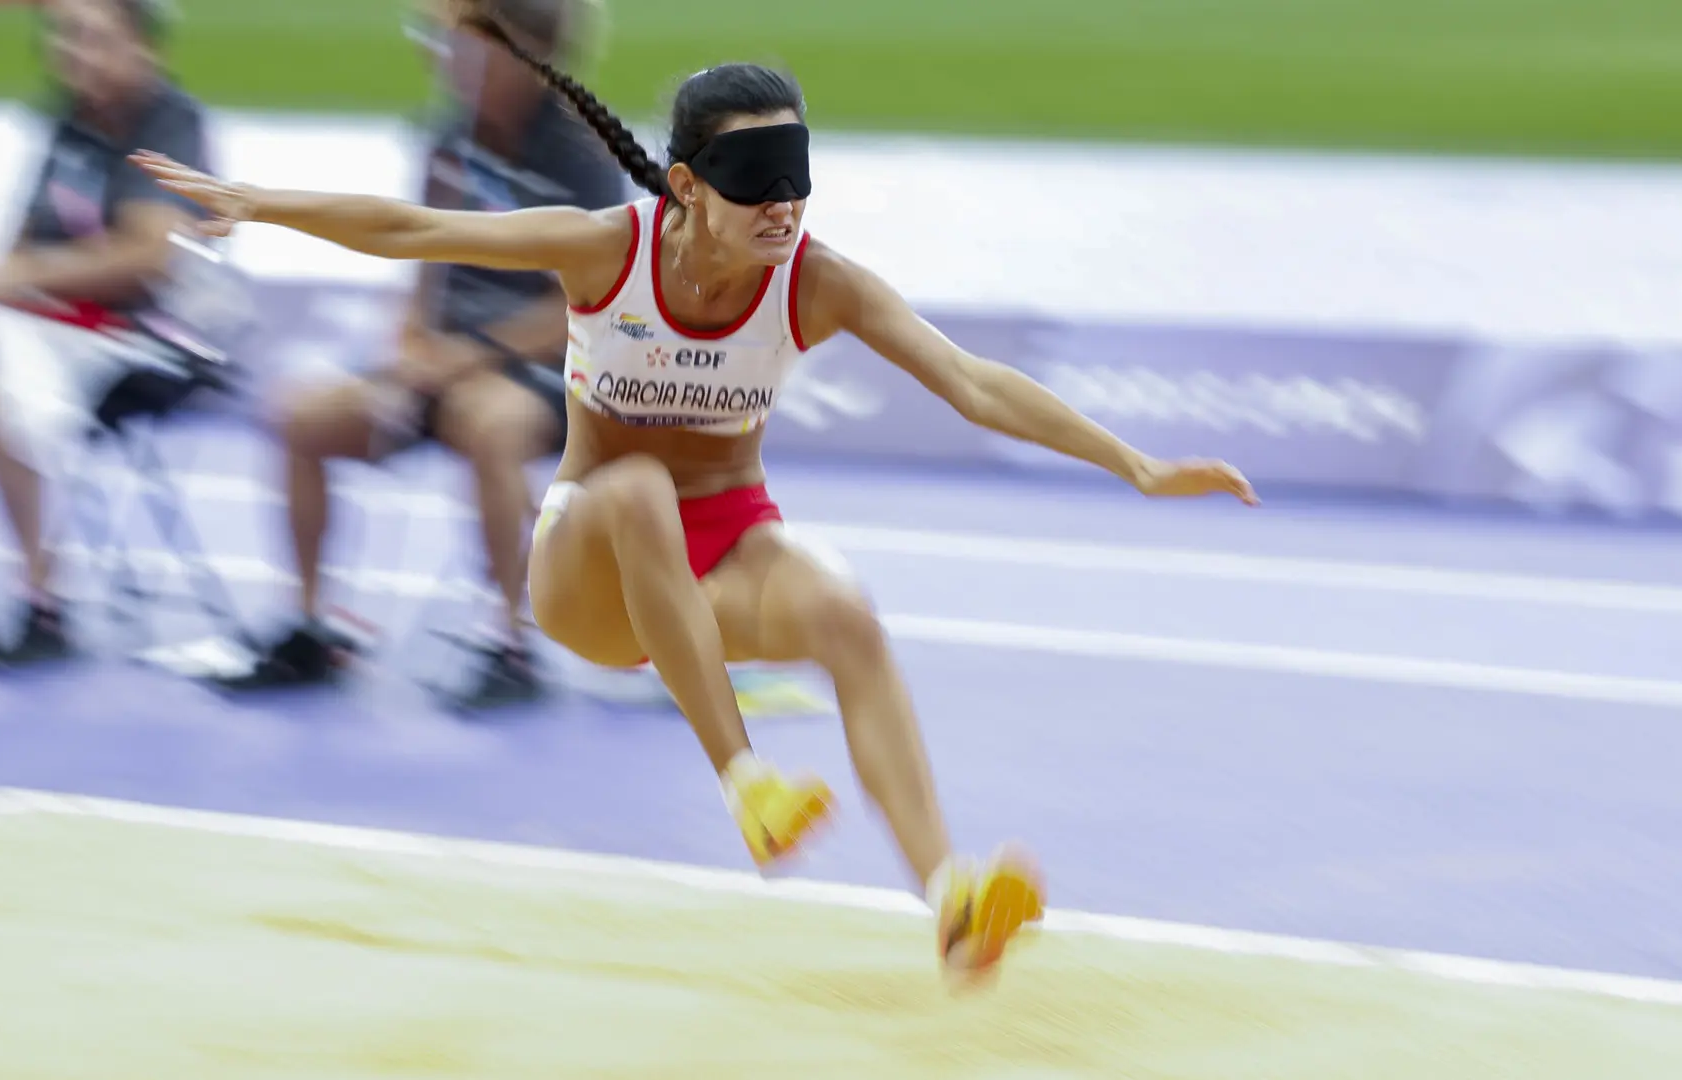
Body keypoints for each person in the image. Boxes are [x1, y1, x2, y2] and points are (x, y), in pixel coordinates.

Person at [131, 1, 1258, 976]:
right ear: (686, 185)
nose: (783, 207)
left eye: (798, 179)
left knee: (844, 613)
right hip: (586, 567)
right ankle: (747, 787)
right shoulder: (601, 252)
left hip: (721, 554)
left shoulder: (815, 285)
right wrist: (262, 202)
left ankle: (949, 897)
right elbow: (419, 227)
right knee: (633, 492)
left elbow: (971, 381)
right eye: (755, 183)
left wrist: (1136, 464)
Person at [222, 0, 628, 708]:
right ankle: (313, 625)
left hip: (551, 369)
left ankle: (512, 642)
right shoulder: (448, 138)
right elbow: (423, 264)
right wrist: (406, 349)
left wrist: (468, 355)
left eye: (465, 48)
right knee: (298, 415)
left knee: (489, 425)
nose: (445, 60)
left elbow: (589, 302)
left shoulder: (587, 152)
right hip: (447, 360)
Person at [0, 0, 209, 662]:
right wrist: (3, 281)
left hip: (142, 335)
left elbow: (146, 259)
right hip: (43, 324)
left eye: (95, 40)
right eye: (67, 38)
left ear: (143, 49)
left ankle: (42, 597)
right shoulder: (67, 121)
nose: (76, 54)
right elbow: (23, 239)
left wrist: (23, 279)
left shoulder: (169, 123)